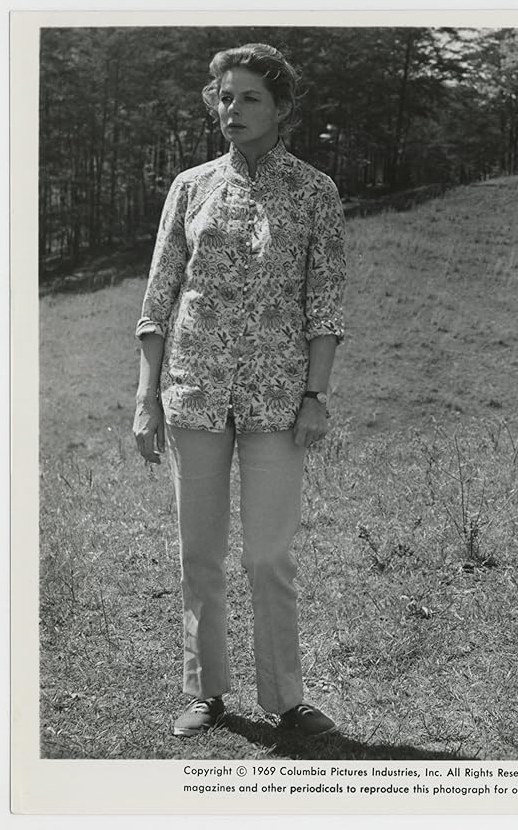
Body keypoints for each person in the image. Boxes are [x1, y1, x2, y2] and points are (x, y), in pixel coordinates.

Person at [132, 43, 346, 738]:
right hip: (193, 393)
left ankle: (287, 699)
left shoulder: (315, 192)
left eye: (250, 97)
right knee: (200, 552)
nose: (233, 109)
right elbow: (159, 297)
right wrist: (145, 396)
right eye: (224, 97)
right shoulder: (190, 187)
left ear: (281, 107)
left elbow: (326, 305)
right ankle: (206, 692)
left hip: (277, 403)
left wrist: (316, 395)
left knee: (267, 554)